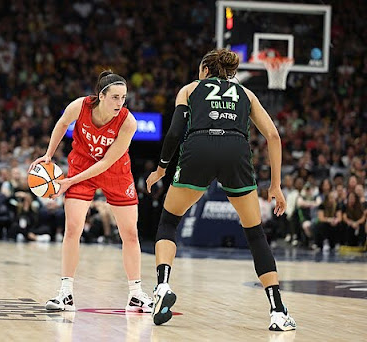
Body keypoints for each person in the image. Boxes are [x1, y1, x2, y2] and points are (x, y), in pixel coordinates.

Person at [145, 49, 296, 330]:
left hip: (199, 147)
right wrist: (275, 185)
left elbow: (175, 131)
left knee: (169, 221)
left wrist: (162, 167)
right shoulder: (246, 94)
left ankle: (163, 286)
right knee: (254, 234)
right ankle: (277, 311)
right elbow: (273, 135)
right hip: (235, 150)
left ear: (205, 70)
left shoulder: (189, 89)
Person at [29, 70, 153, 312]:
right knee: (73, 228)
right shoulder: (80, 106)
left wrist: (69, 180)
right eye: (115, 97)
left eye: (123, 98)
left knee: (130, 233)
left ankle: (136, 294)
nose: (120, 103)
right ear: (101, 95)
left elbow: (106, 163)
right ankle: (65, 293)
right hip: (81, 165)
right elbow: (62, 123)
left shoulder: (128, 122)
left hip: (115, 172)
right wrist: (49, 155)